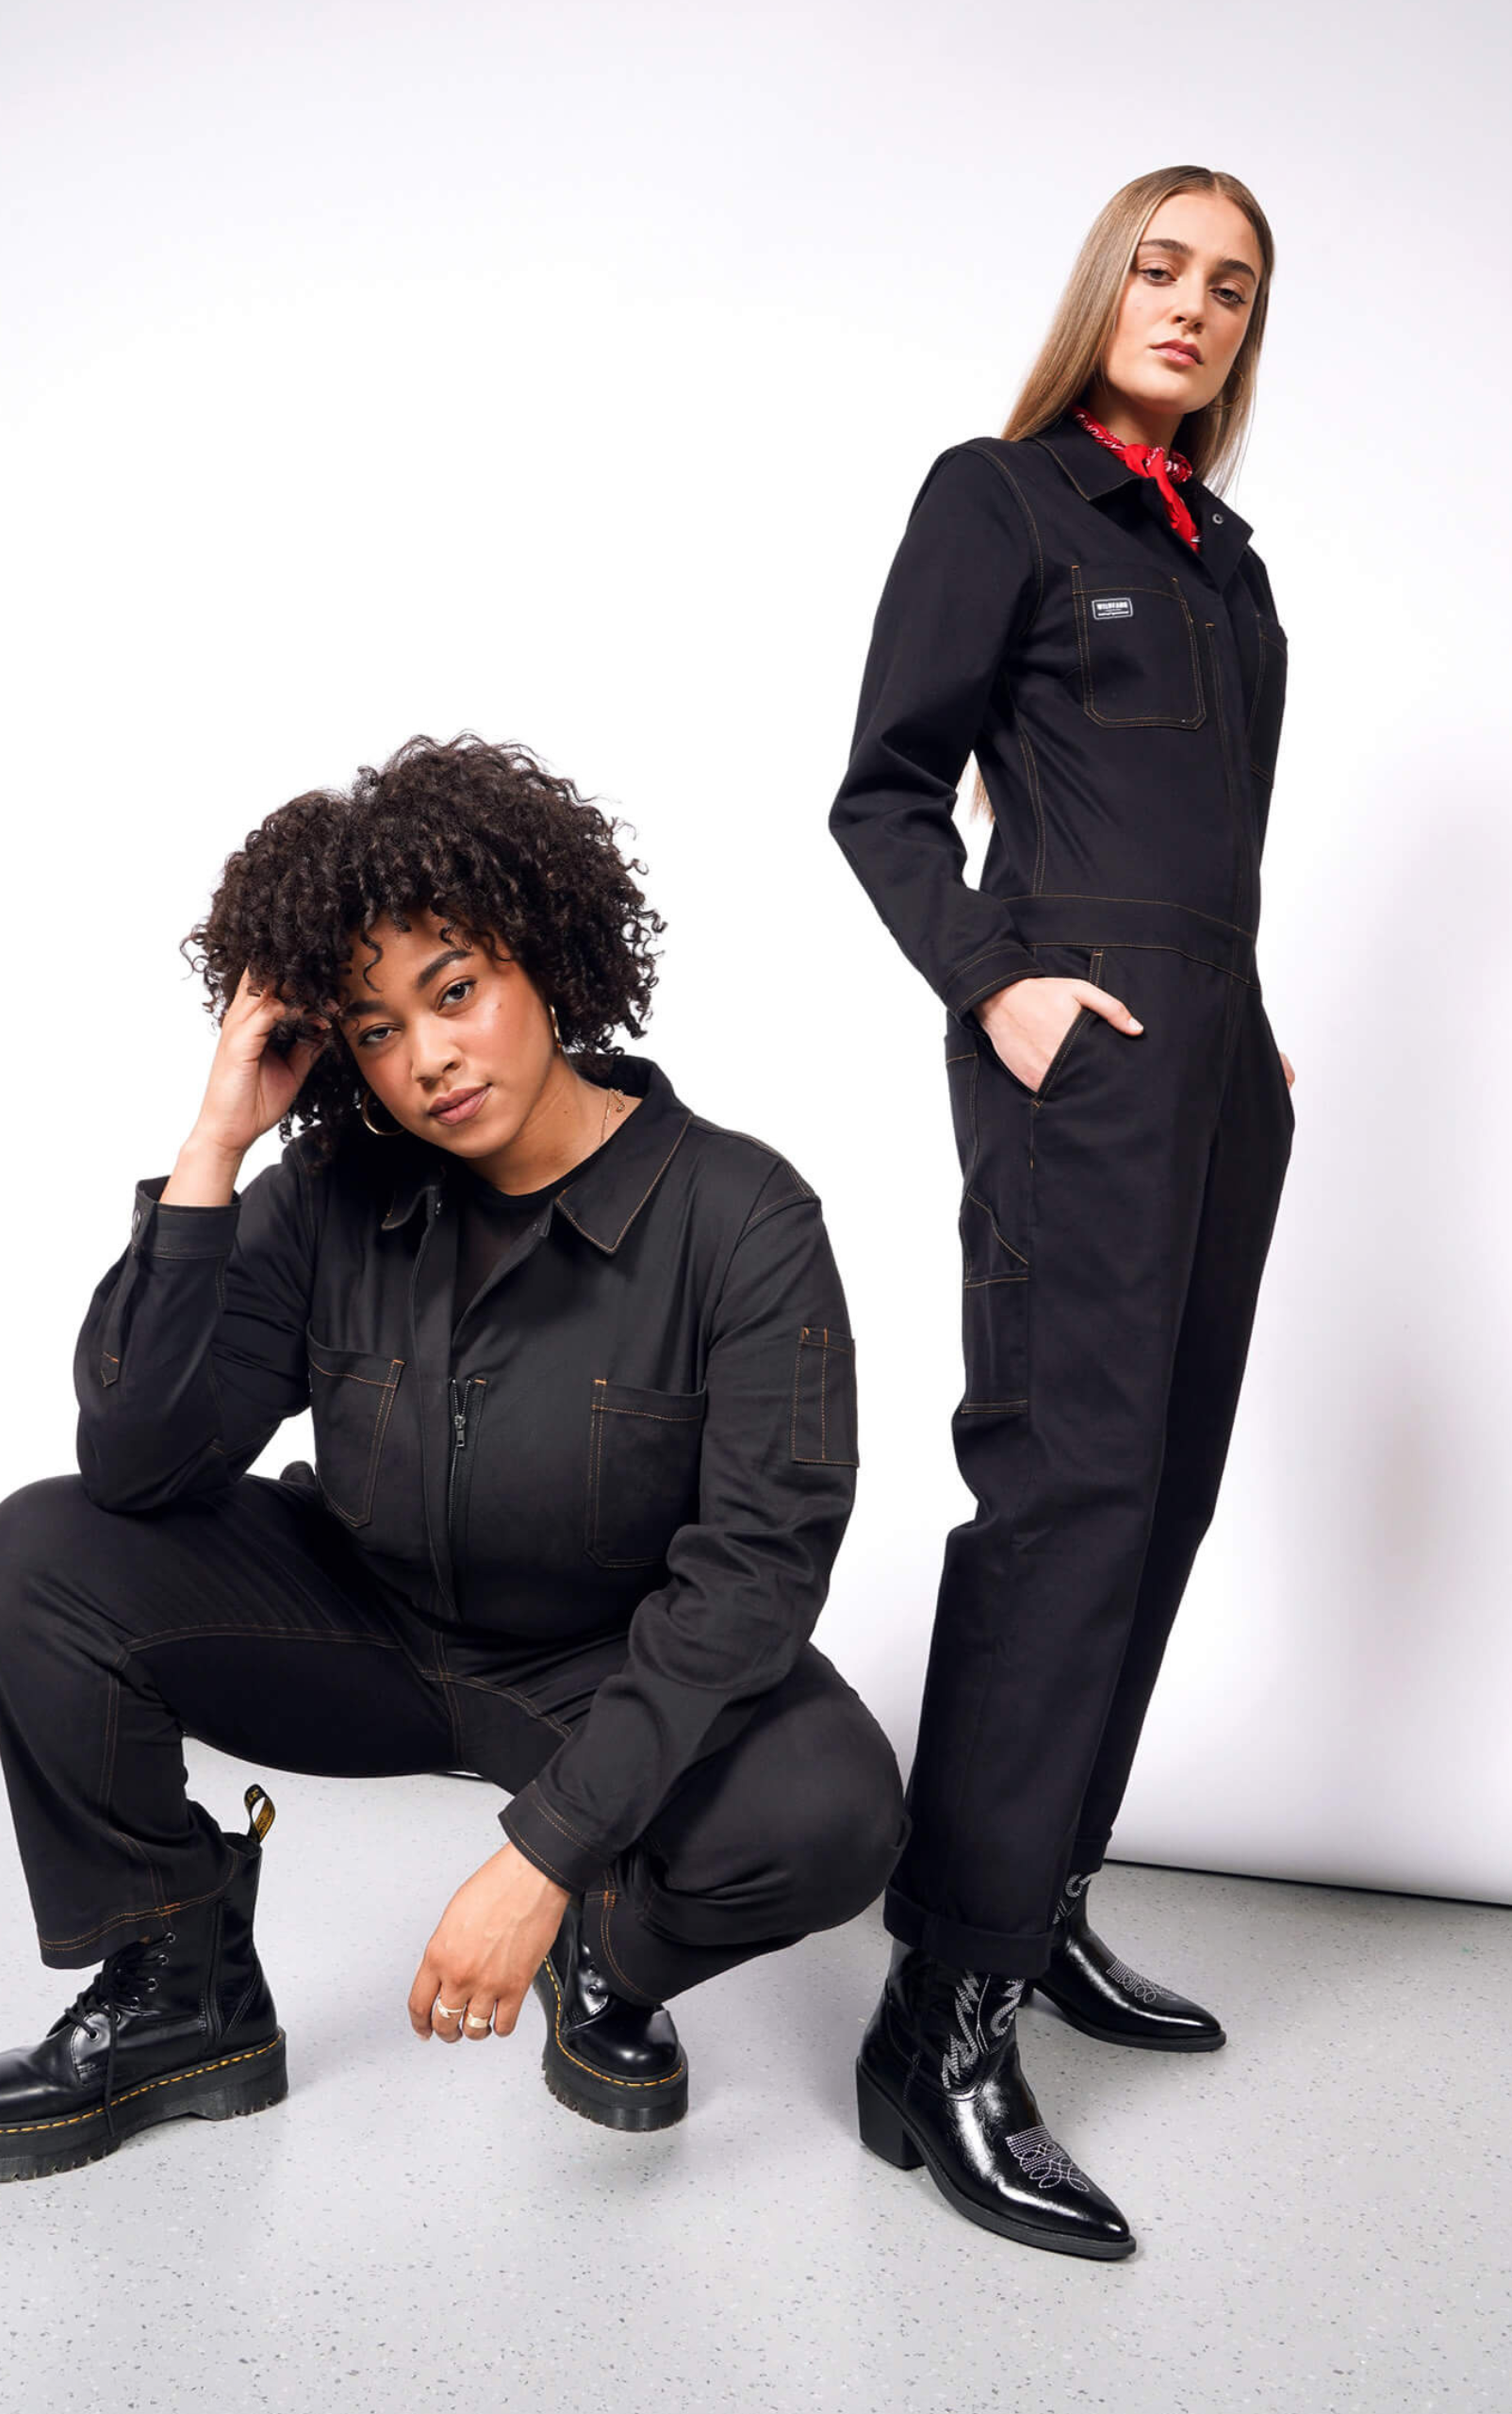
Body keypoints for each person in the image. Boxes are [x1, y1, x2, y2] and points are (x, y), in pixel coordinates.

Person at [0, 733, 907, 2183]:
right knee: (33, 1557)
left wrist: (547, 1860)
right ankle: (177, 1989)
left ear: (547, 960)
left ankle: (609, 1966)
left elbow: (756, 1579)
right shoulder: (332, 1191)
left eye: (454, 992)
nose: (427, 1059)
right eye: (376, 1029)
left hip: (599, 1672)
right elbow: (136, 1461)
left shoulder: (743, 1216)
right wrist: (217, 1143)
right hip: (363, 1631)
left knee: (833, 1809)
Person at [829, 166, 1294, 2260]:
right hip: (1077, 1073)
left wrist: (1252, 1029)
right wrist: (994, 978)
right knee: (1064, 1496)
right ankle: (942, 2009)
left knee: (1162, 1495)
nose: (1189, 308)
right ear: (1105, 285)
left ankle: (1039, 1899)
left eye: (1230, 289)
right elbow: (883, 790)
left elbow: (1219, 845)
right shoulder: (1000, 499)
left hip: (1218, 1086)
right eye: (1163, 268)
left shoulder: (1229, 567)